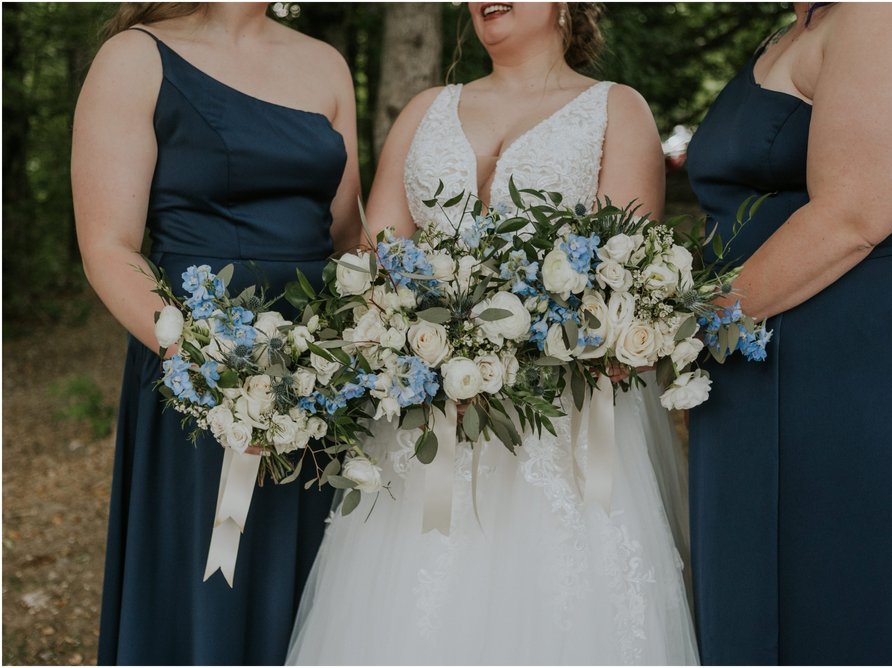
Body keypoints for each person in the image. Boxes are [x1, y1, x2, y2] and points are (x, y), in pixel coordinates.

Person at [286, 2, 699, 664]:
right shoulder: (425, 110)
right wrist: (414, 333)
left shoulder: (616, 110)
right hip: (428, 413)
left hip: (561, 425)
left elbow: (629, 276)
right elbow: (378, 257)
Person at [685, 2, 892, 664]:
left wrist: (682, 327)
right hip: (764, 360)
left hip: (879, 367)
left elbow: (852, 216)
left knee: (862, 599)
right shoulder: (795, 28)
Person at [71, 2, 360, 663]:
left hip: (318, 376)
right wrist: (208, 364)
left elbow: (347, 236)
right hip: (197, 367)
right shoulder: (136, 59)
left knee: (316, 581)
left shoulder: (326, 64)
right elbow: (108, 246)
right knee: (208, 590)